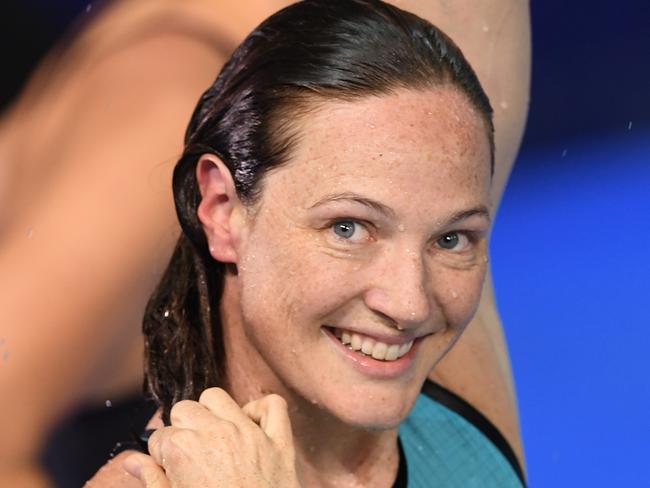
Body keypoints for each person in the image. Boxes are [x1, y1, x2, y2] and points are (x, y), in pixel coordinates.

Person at [0, 0, 529, 485]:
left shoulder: (426, 123)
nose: (410, 304)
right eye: (347, 228)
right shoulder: (160, 111)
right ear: (220, 210)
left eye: (452, 237)